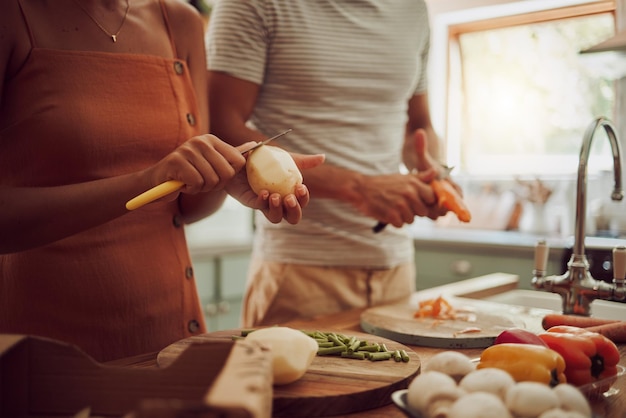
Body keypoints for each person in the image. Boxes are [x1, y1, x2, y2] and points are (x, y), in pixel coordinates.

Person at [0, 0, 323, 362]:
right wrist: (147, 180)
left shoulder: (180, 21)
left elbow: (186, 206)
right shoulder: (11, 16)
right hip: (42, 350)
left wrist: (227, 175)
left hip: (168, 339)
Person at [206, 0, 461, 327]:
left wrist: (435, 173)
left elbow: (417, 126)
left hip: (395, 269)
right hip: (299, 273)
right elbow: (222, 127)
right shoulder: (254, 4)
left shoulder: (412, 8)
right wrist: (358, 189)